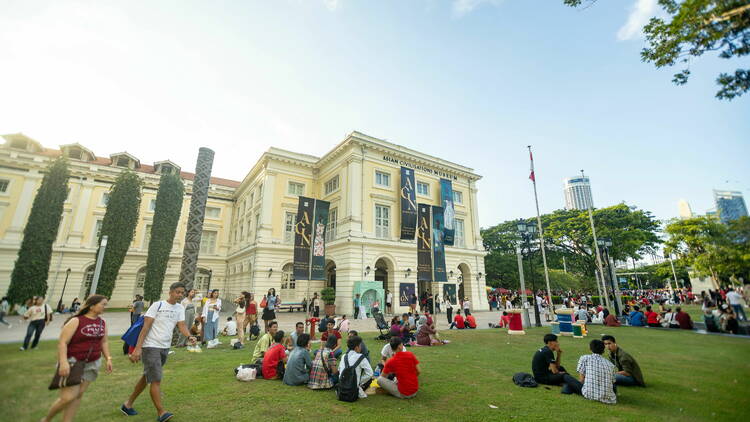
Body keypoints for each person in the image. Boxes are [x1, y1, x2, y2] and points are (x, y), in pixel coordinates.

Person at [121, 282, 196, 422]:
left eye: (182, 293)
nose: (180, 295)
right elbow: (145, 328)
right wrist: (137, 349)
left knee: (147, 376)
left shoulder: (180, 308)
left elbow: (181, 325)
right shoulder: (157, 305)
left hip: (164, 347)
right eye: (177, 292)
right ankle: (161, 412)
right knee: (156, 379)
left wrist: (189, 336)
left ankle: (127, 404)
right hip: (151, 346)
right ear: (170, 292)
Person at [41, 295, 112, 422]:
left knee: (78, 395)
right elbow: (63, 342)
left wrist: (108, 358)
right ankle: (46, 419)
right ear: (92, 306)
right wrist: (63, 362)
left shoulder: (103, 322)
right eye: (103, 304)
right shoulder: (76, 321)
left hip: (92, 363)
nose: (105, 307)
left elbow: (104, 342)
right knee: (67, 397)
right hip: (73, 362)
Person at [576, 339, 616, 404]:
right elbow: (613, 381)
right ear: (603, 350)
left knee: (568, 379)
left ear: (590, 348)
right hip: (608, 398)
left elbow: (581, 380)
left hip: (589, 394)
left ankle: (566, 389)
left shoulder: (585, 358)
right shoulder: (610, 365)